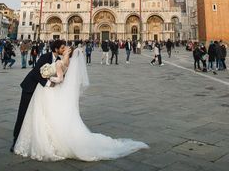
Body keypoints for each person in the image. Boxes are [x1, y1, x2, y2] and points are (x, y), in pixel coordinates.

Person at [13, 45, 147, 161]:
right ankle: (23, 138)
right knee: (34, 115)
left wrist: (51, 79)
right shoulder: (59, 60)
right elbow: (41, 73)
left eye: (65, 49)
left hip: (51, 90)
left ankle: (45, 139)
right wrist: (49, 79)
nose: (64, 49)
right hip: (40, 89)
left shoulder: (61, 62)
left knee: (45, 115)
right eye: (62, 48)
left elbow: (59, 78)